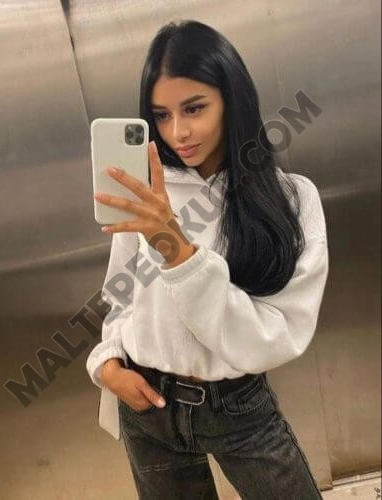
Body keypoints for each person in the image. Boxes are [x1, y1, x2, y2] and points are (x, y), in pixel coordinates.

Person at [87, 19, 329, 500]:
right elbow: (121, 297)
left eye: (194, 108)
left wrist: (176, 248)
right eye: (161, 115)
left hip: (237, 407)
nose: (178, 132)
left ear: (232, 99)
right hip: (147, 408)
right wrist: (108, 363)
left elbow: (283, 330)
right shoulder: (147, 194)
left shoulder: (291, 200)